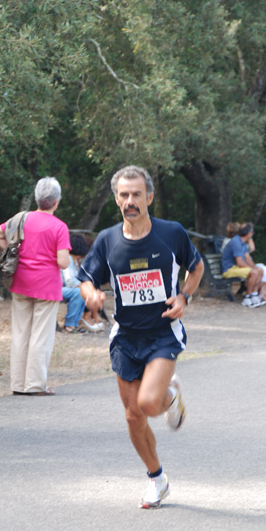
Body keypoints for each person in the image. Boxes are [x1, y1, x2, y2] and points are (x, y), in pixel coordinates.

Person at [77, 165, 205, 509]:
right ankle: (157, 480)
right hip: (126, 336)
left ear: (149, 197)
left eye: (136, 194)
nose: (130, 201)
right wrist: (90, 293)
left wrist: (183, 297)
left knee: (149, 404)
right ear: (116, 199)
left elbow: (197, 267)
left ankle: (169, 395)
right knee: (134, 416)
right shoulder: (107, 240)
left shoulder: (171, 233)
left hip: (162, 331)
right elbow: (86, 277)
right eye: (123, 195)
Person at [0, 177, 71, 395]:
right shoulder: (59, 227)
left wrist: (13, 251)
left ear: (38, 199)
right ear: (56, 202)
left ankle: (18, 385)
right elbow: (63, 261)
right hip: (47, 287)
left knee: (20, 334)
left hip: (21, 283)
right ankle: (35, 385)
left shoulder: (21, 218)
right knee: (40, 336)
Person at [61, 234, 103, 333]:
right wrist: (85, 287)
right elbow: (70, 281)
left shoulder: (74, 261)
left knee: (82, 292)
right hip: (57, 288)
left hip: (63, 288)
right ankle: (70, 324)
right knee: (78, 292)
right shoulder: (69, 259)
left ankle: (76, 323)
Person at [221, 222, 266, 308]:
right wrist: (253, 270)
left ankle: (254, 295)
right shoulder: (236, 242)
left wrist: (255, 267)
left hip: (236, 268)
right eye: (252, 232)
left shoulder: (243, 242)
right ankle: (247, 298)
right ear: (248, 234)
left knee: (260, 270)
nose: (252, 234)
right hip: (229, 269)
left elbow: (248, 258)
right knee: (254, 273)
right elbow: (239, 262)